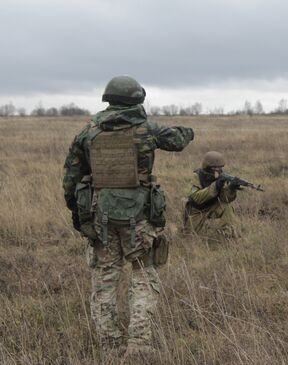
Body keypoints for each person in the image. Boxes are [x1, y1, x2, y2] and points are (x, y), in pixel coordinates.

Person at [62, 75, 194, 359]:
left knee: (104, 280)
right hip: (141, 219)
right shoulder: (147, 130)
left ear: (108, 99)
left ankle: (109, 347)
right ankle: (139, 345)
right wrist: (189, 130)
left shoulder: (88, 133)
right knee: (144, 277)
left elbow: (70, 178)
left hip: (101, 218)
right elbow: (178, 140)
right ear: (138, 99)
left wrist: (77, 213)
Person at [183, 151, 240, 242]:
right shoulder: (196, 176)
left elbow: (225, 198)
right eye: (214, 167)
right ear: (207, 166)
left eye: (220, 167)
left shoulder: (222, 177)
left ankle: (228, 237)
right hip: (197, 210)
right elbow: (196, 197)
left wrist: (231, 189)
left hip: (213, 206)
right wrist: (215, 186)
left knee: (227, 206)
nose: (217, 170)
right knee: (188, 238)